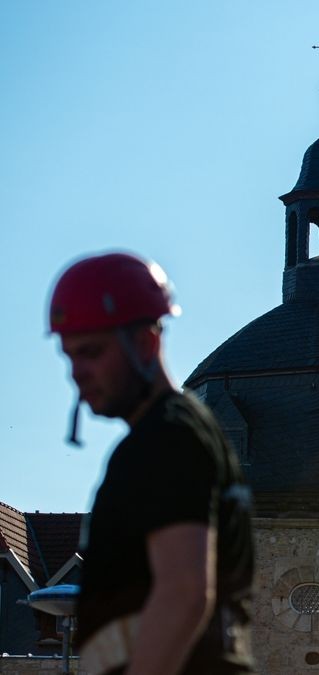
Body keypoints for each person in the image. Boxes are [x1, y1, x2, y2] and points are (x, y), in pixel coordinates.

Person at [49, 252, 255, 675]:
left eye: (91, 352)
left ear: (145, 342)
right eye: (69, 356)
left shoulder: (166, 437)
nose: (77, 373)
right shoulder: (184, 429)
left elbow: (183, 590)